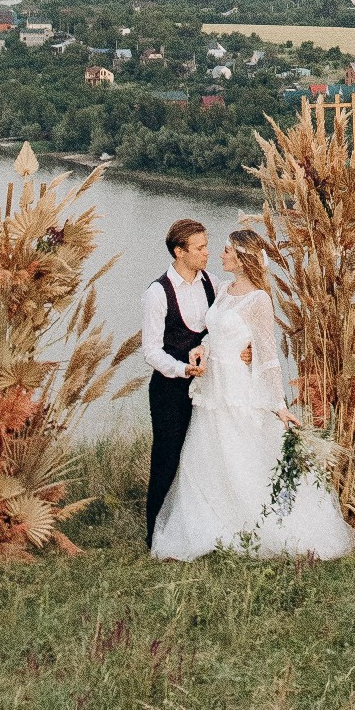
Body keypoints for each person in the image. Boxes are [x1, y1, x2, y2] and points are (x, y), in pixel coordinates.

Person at [151, 226, 355, 563]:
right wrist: (199, 350)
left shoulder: (259, 300)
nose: (220, 255)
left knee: (241, 459)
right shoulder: (224, 289)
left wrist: (278, 405)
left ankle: (261, 528)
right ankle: (210, 529)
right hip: (212, 391)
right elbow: (216, 334)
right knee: (204, 461)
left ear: (244, 258)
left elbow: (268, 356)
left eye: (228, 251)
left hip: (237, 391)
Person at [140, 216, 213, 545]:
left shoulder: (208, 281)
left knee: (199, 456)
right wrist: (183, 369)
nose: (207, 253)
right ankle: (154, 535)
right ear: (178, 251)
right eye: (199, 248)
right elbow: (151, 351)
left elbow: (216, 329)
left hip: (205, 387)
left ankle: (191, 530)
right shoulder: (158, 293)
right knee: (167, 458)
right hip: (170, 389)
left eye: (206, 246)